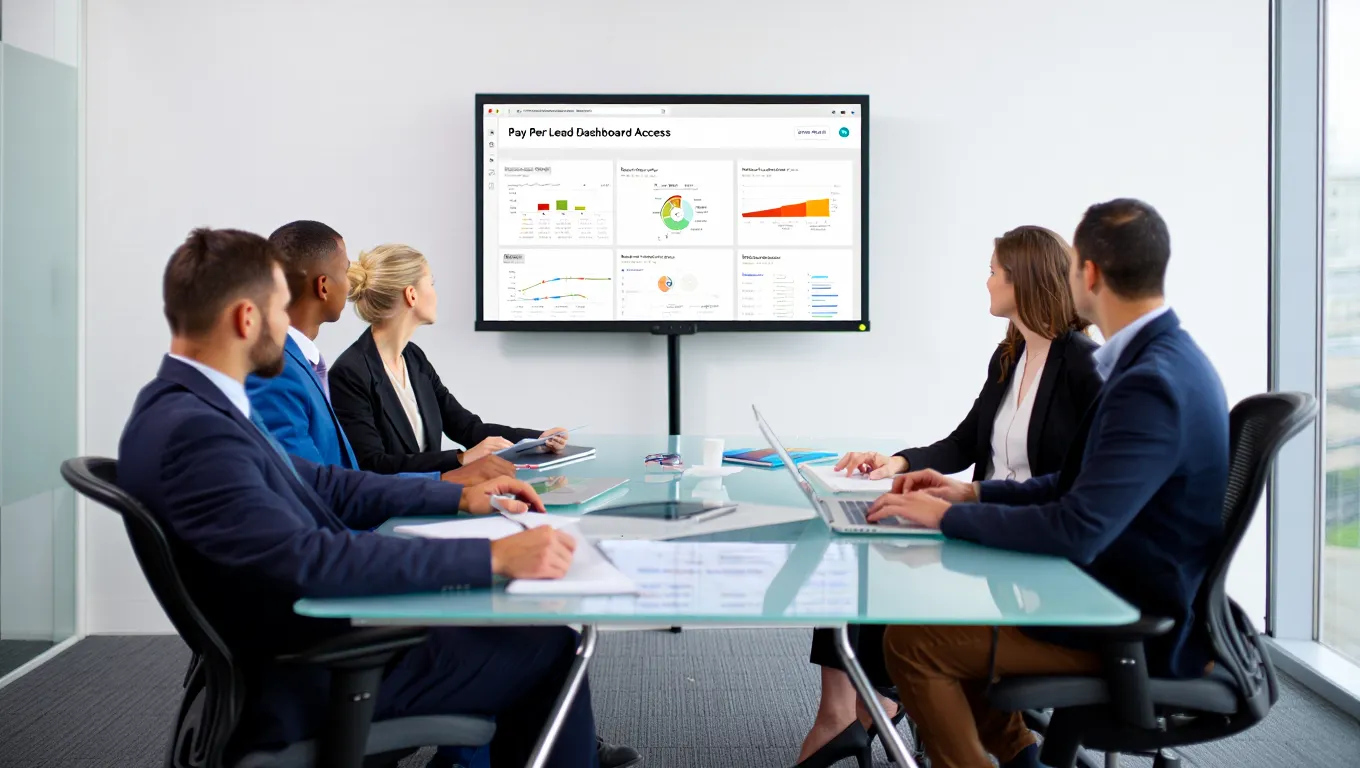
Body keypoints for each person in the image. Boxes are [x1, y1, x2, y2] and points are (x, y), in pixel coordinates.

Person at [117, 227, 625, 768]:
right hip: (312, 666)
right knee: (551, 651)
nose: (288, 321)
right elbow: (308, 558)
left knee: (515, 631)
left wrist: (458, 498)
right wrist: (493, 556)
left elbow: (323, 482)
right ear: (247, 318)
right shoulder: (195, 433)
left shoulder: (187, 407)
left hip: (300, 643)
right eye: (278, 307)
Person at [867, 199, 1229, 768]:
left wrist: (947, 518)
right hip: (1109, 590)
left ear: (1086, 274)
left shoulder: (1148, 381)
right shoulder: (1159, 361)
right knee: (931, 621)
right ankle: (1019, 759)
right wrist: (974, 493)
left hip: (1124, 617)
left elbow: (1078, 528)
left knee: (915, 643)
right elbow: (1076, 482)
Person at [795, 226, 1102, 767]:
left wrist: (969, 501)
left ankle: (879, 703)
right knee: (856, 542)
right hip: (980, 515)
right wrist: (900, 462)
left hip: (1023, 537)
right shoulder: (1010, 356)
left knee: (883, 575)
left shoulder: (1083, 365)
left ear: (1023, 281)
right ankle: (859, 706)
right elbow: (964, 440)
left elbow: (1081, 485)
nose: (986, 282)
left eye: (994, 271)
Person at [244, 220, 513, 486]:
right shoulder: (280, 373)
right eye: (344, 271)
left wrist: (539, 441)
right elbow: (321, 487)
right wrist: (453, 481)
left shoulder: (408, 358)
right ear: (323, 286)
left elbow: (466, 426)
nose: (350, 286)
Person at [331, 244, 568, 475]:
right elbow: (373, 465)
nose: (435, 293)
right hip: (391, 509)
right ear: (411, 295)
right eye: (430, 284)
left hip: (429, 496)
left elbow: (466, 428)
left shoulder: (413, 358)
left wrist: (537, 438)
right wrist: (462, 458)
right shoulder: (349, 373)